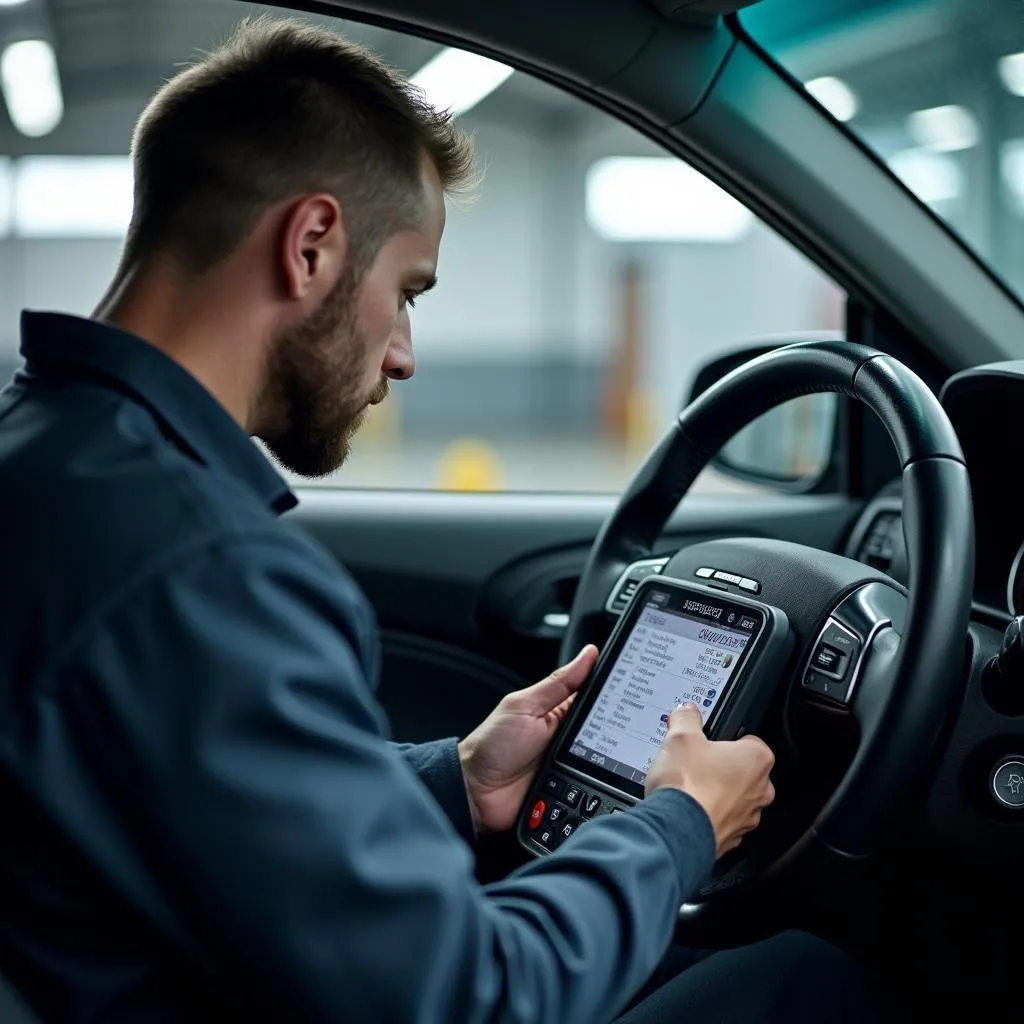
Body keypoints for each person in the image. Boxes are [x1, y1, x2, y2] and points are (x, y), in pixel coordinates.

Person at [0, 15, 880, 1024]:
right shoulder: (206, 567)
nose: (405, 353)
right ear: (313, 244)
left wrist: (455, 778)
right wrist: (679, 821)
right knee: (810, 975)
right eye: (406, 291)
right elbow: (468, 996)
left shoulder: (47, 461)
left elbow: (179, 800)